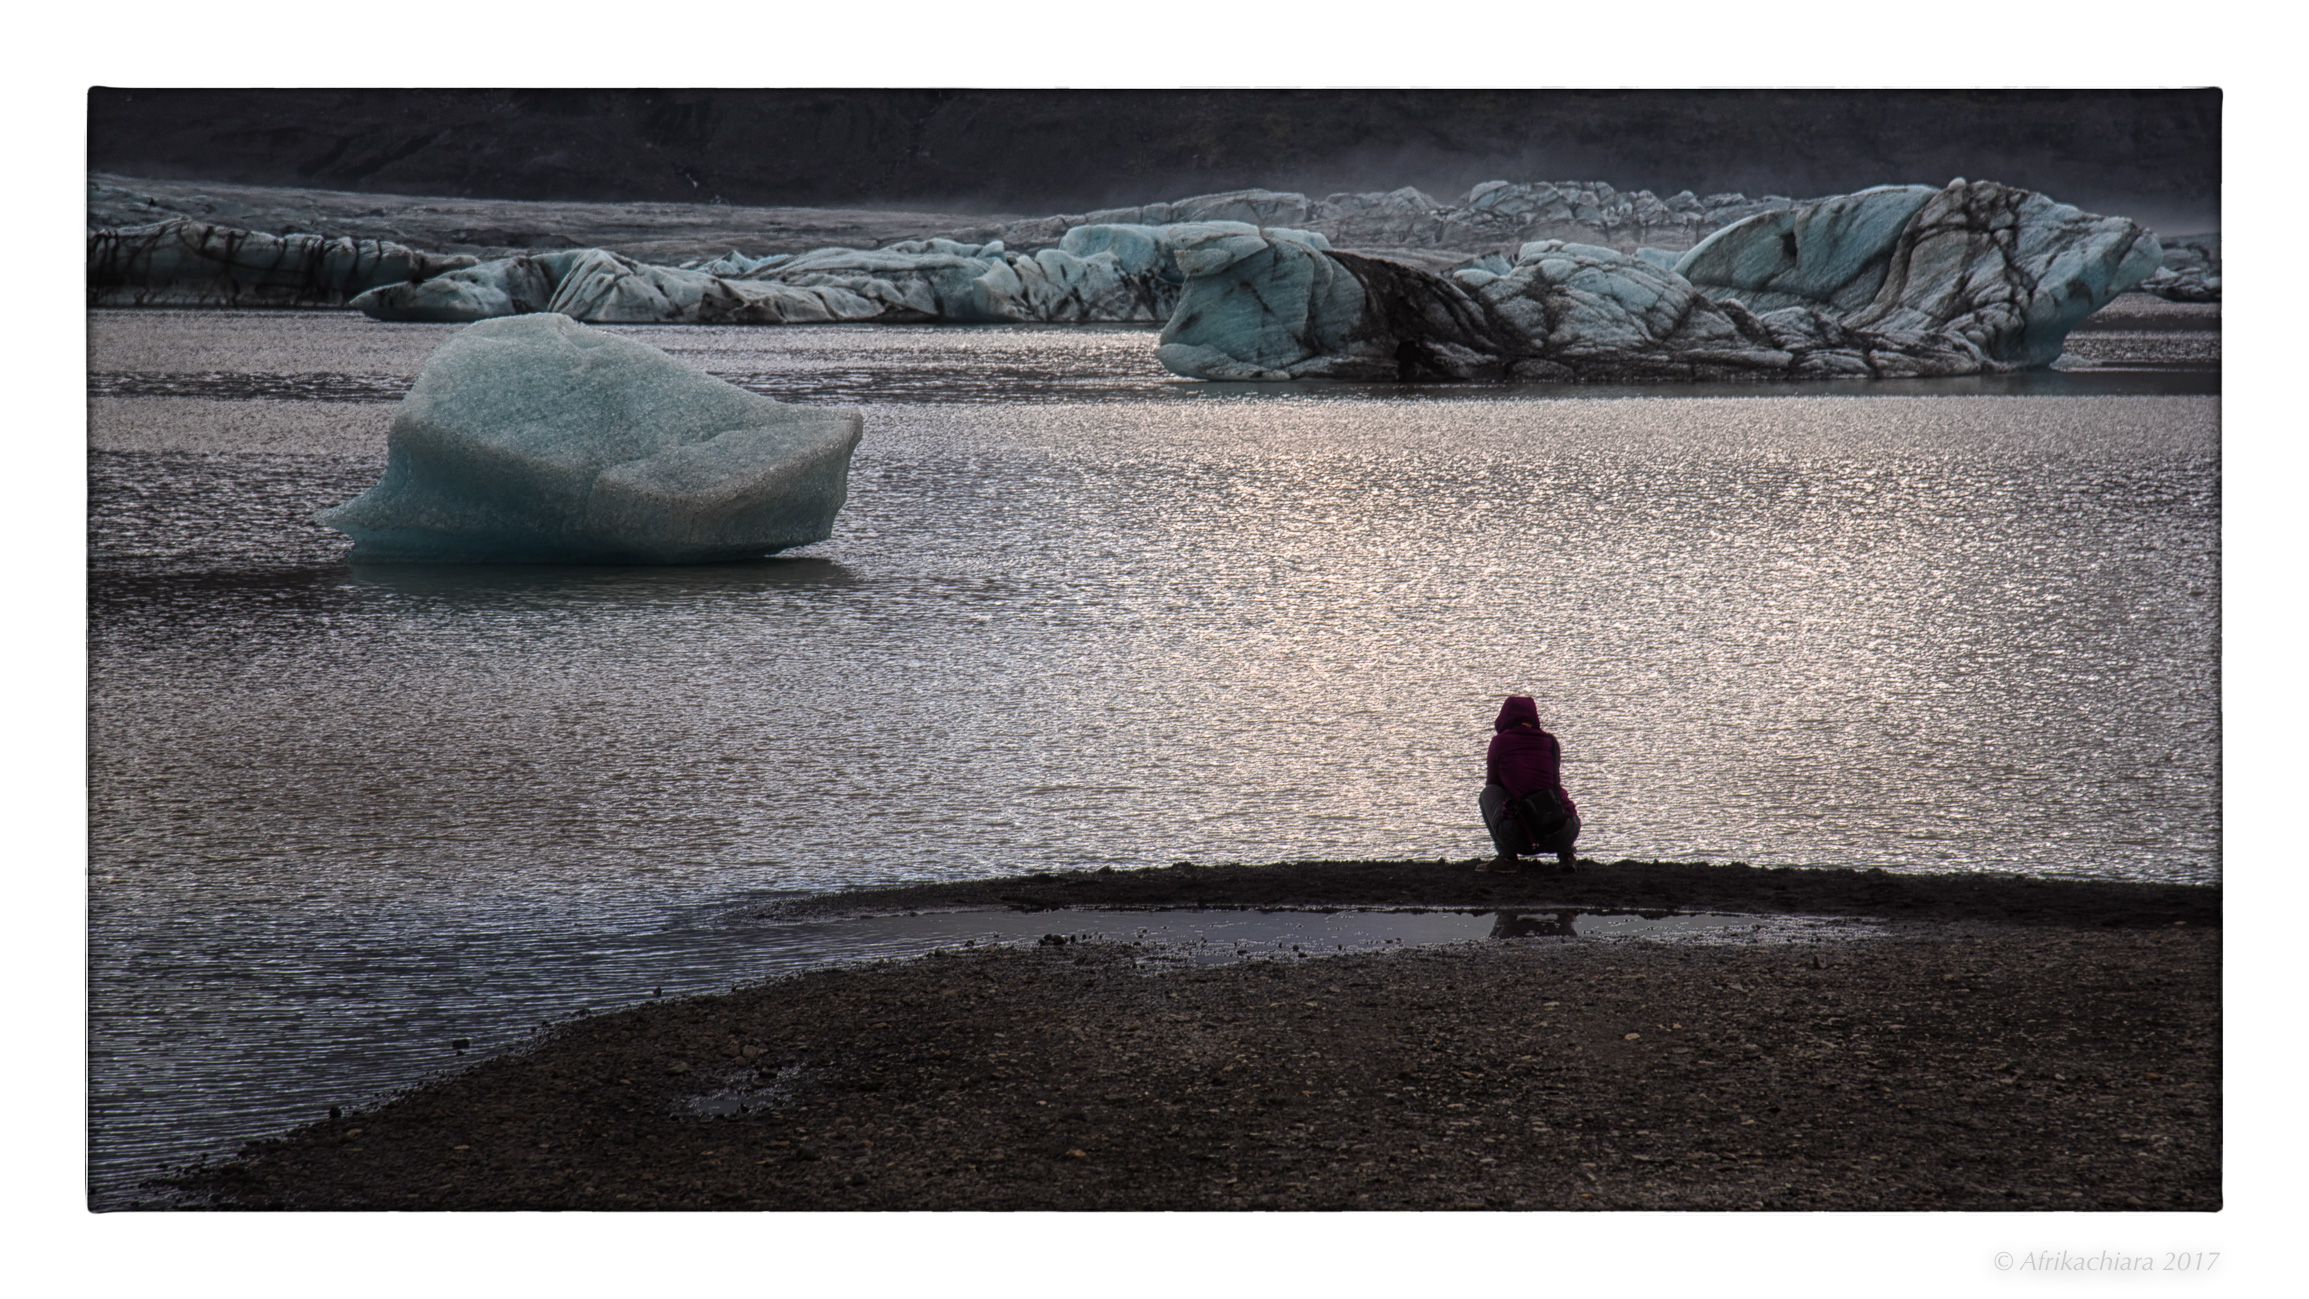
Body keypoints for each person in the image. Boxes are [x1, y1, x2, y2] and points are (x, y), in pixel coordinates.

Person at [1478, 695, 1581, 873]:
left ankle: (1508, 858)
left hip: (1521, 837)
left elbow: (1493, 782)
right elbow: (1553, 782)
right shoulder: (1550, 741)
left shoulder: (1499, 742)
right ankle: (1567, 856)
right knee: (1558, 796)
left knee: (1488, 792)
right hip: (1563, 832)